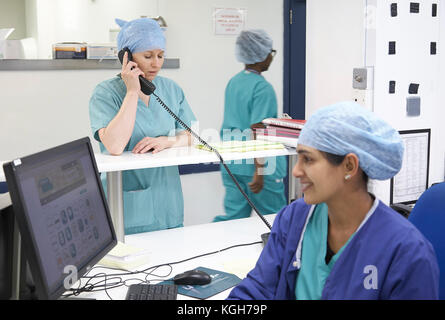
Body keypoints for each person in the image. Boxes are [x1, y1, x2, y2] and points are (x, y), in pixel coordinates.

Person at [227, 101, 439, 300]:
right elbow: (257, 290)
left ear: (349, 166)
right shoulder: (294, 219)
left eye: (308, 159)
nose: (296, 170)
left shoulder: (406, 252)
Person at [89, 18, 196, 235]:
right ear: (127, 57)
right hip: (128, 209)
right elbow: (115, 146)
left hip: (168, 204)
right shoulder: (106, 93)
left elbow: (191, 135)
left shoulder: (171, 90)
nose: (156, 63)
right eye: (148, 56)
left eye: (160, 55)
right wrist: (131, 91)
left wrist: (167, 142)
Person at [213, 29, 287, 222]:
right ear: (261, 55)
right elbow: (258, 129)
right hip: (260, 165)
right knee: (275, 221)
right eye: (270, 52)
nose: (271, 57)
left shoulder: (234, 82)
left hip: (234, 162)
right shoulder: (263, 88)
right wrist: (259, 171)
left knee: (233, 220)